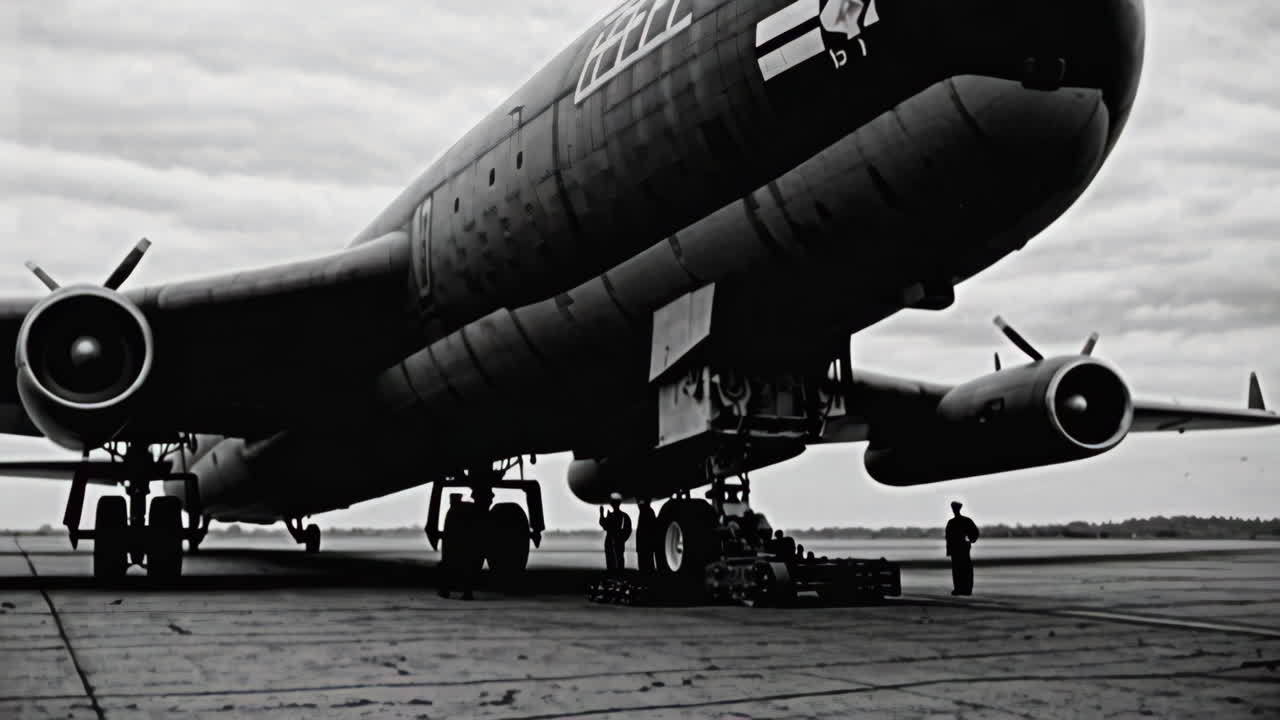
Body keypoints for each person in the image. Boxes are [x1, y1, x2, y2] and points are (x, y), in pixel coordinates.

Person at [439, 494, 477, 600]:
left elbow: (448, 532)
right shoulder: (469, 509)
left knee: (447, 567)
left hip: (454, 545)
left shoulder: (452, 511)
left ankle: (445, 591)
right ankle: (467, 593)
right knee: (466, 567)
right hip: (467, 545)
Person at [945, 500, 980, 596]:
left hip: (961, 548)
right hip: (959, 548)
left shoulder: (955, 522)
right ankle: (961, 589)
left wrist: (970, 540)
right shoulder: (958, 521)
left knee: (962, 569)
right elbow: (948, 537)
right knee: (960, 569)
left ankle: (964, 589)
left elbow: (975, 533)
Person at [599, 493, 632, 574]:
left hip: (617, 540)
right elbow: (604, 525)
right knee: (611, 559)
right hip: (612, 540)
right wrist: (602, 514)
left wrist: (621, 539)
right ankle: (614, 576)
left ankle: (618, 576)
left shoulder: (623, 516)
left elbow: (628, 530)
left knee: (618, 559)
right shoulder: (614, 515)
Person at [635, 498, 657, 574]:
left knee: (644, 562)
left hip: (644, 543)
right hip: (647, 543)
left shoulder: (645, 512)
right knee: (648, 561)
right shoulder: (649, 511)